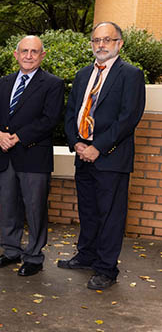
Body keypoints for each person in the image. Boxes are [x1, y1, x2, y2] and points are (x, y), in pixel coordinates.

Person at [59, 22, 145, 290]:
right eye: (96, 40)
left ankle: (107, 268)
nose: (101, 44)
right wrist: (77, 144)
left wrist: (99, 147)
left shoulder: (130, 75)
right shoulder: (83, 74)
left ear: (119, 43)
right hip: (83, 154)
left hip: (111, 156)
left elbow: (128, 117)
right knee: (88, 209)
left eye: (108, 39)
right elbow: (71, 113)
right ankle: (86, 255)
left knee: (110, 214)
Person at [0, 36, 64, 277]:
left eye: (34, 52)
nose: (28, 56)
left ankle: (33, 256)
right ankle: (11, 251)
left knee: (35, 208)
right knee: (9, 207)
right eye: (24, 51)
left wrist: (18, 137)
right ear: (16, 54)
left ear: (42, 55)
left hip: (33, 155)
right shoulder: (3, 83)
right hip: (6, 154)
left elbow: (50, 119)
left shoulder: (52, 84)